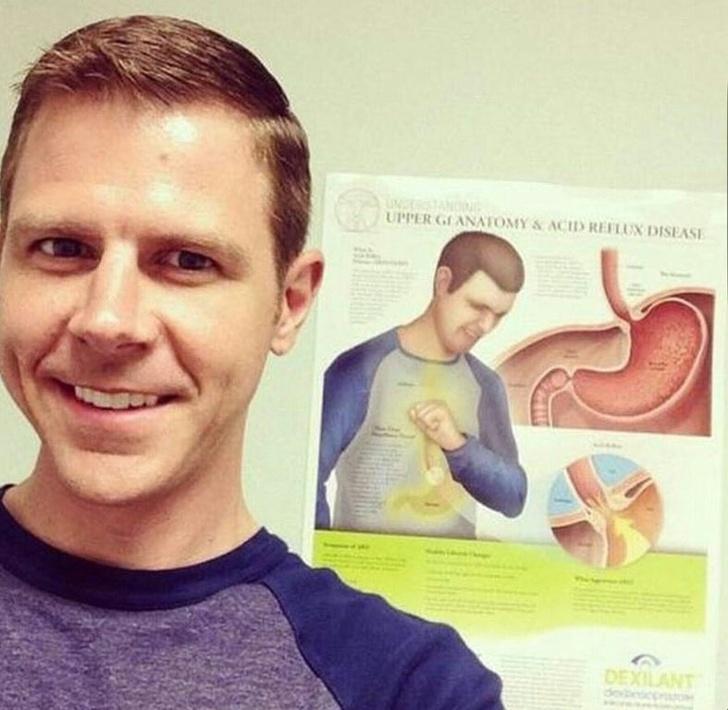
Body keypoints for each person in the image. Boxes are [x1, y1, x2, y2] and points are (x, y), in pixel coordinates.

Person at [0, 16, 506, 709]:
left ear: (289, 304)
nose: (107, 320)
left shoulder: (409, 687)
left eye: (187, 261)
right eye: (62, 248)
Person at [317, 231, 527, 538]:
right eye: (477, 306)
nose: (486, 326)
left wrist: (457, 445)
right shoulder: (359, 368)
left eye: (498, 315)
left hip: (452, 567)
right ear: (443, 282)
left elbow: (514, 498)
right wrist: (326, 557)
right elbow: (307, 479)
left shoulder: (486, 384)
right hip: (365, 566)